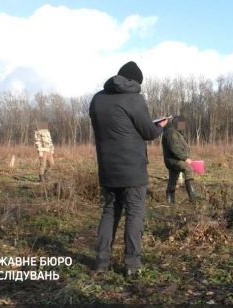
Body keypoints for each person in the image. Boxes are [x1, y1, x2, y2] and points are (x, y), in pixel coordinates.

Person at [89, 61, 168, 279]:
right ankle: (132, 264)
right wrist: (160, 125)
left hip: (107, 168)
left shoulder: (97, 99)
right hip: (133, 170)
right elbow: (148, 132)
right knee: (134, 214)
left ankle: (101, 262)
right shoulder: (135, 98)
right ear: (135, 81)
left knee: (109, 212)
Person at [162, 116, 197, 205]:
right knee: (188, 169)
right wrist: (185, 158)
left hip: (173, 160)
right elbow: (175, 148)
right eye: (182, 124)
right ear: (177, 123)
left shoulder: (175, 132)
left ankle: (170, 203)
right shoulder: (172, 133)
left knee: (173, 180)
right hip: (173, 160)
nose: (183, 126)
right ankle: (193, 198)